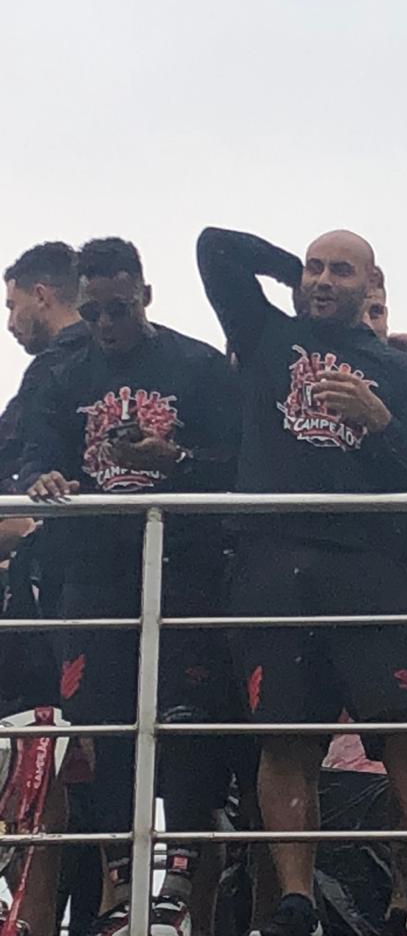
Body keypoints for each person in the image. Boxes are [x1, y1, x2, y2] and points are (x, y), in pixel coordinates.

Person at [195, 227, 407, 936]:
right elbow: (214, 248)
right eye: (315, 269)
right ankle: (294, 897)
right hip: (270, 562)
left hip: (369, 563)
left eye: (340, 271)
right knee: (284, 736)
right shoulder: (266, 336)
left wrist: (377, 422)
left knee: (405, 726)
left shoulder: (403, 373)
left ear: (371, 285)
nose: (322, 280)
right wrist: (294, 271)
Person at [21, 237, 242, 936]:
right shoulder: (62, 373)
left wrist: (171, 456)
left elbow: (239, 460)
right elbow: (32, 451)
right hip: (91, 574)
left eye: (119, 308)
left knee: (185, 720)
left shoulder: (198, 365)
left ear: (145, 294)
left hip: (186, 568)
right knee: (101, 727)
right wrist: (45, 479)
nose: (107, 324)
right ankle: (120, 878)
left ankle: (178, 877)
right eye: (94, 312)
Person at [0, 241, 90, 936]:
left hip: (54, 589)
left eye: (10, 305)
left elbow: (26, 483)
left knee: (47, 749)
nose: (9, 322)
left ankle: (33, 921)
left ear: (40, 294)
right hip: (60, 590)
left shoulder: (58, 371)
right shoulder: (82, 367)